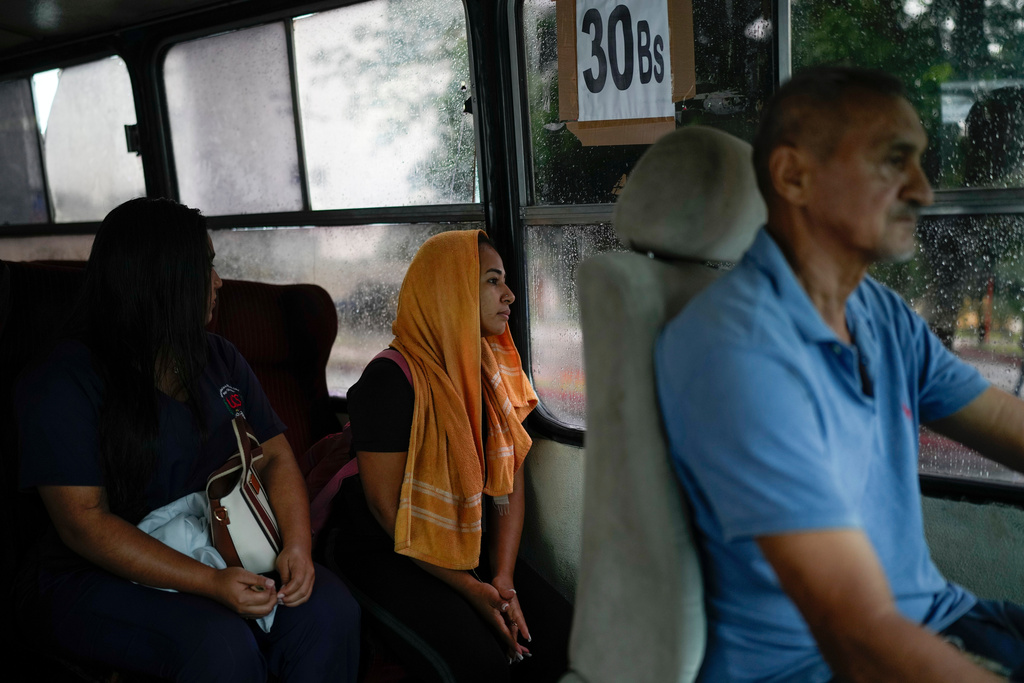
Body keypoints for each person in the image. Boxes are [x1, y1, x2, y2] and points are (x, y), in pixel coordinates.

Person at [655, 66, 1024, 682]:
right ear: (794, 176)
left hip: (936, 619)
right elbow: (858, 636)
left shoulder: (877, 313)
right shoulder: (736, 350)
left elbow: (1000, 421)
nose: (924, 190)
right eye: (894, 161)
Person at [15, 197, 360, 682]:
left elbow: (277, 457)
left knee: (328, 609)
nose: (219, 283)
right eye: (206, 267)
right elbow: (83, 524)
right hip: (92, 576)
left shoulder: (217, 357)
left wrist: (297, 548)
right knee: (219, 645)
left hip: (215, 550)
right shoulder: (65, 381)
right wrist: (211, 583)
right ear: (163, 280)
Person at [324, 229, 572, 683]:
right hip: (385, 551)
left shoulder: (486, 371)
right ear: (452, 289)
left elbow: (508, 481)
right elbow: (386, 510)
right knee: (479, 666)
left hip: (461, 545)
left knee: (566, 640)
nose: (510, 295)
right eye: (493, 281)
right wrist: (470, 589)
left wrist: (501, 578)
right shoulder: (388, 381)